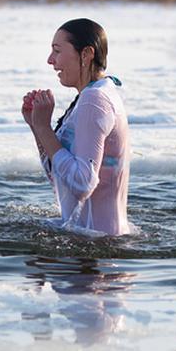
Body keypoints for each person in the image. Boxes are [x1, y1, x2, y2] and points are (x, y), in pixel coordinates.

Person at [22, 18, 132, 236]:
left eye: (57, 50)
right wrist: (37, 126)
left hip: (97, 247)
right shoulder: (92, 95)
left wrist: (45, 128)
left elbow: (82, 184)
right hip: (93, 238)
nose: (50, 60)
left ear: (86, 54)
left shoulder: (94, 99)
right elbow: (60, 178)